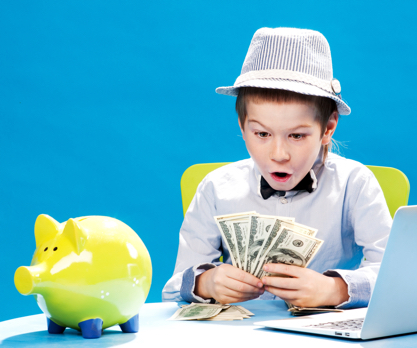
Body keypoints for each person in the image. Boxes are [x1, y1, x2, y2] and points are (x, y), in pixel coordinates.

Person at [162, 27, 392, 309]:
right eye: (262, 134)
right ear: (242, 128)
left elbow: (398, 276)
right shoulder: (216, 187)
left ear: (328, 128)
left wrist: (335, 289)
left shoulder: (355, 184)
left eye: (296, 136)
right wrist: (206, 283)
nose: (278, 154)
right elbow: (174, 289)